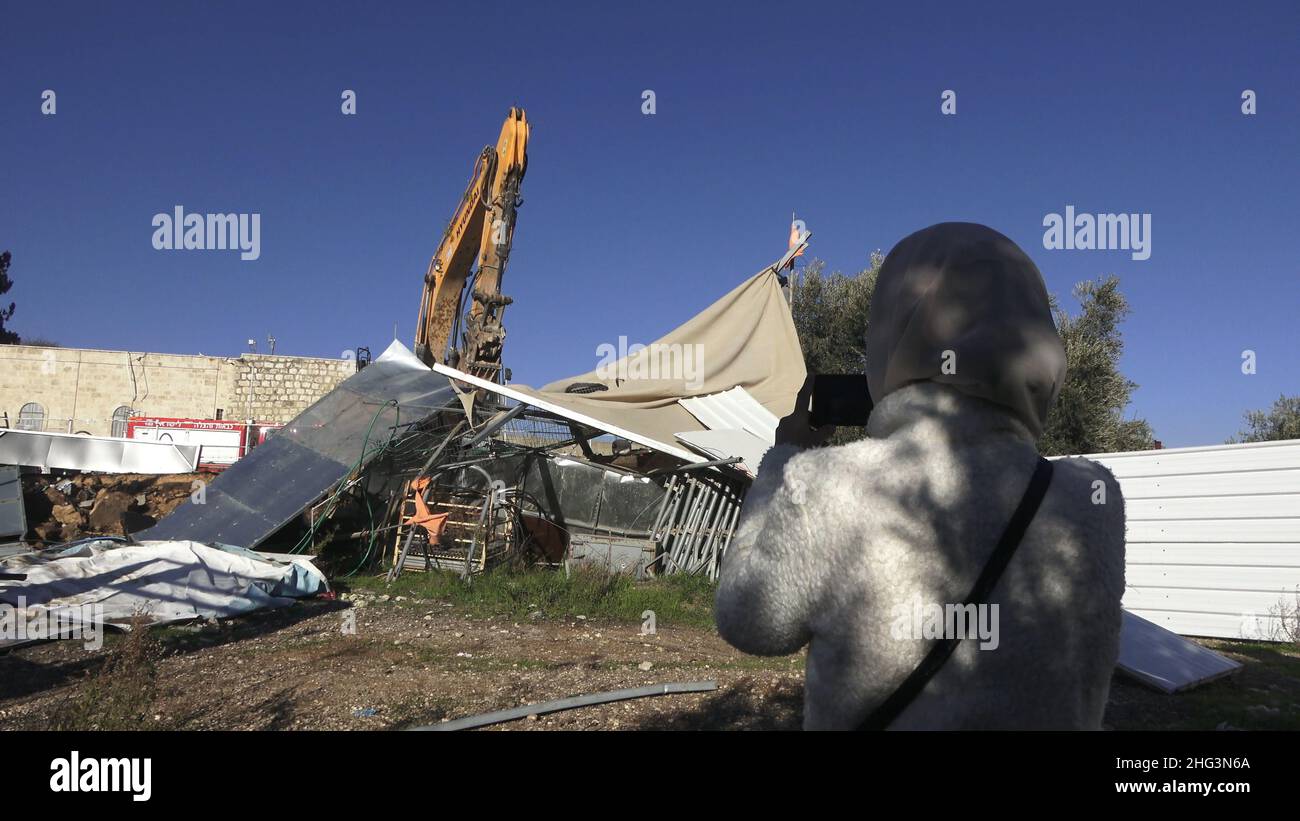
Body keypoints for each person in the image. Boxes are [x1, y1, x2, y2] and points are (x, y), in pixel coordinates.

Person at [715, 222, 1126, 730]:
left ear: (892, 332)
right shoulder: (1091, 496)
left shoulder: (825, 485)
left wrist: (783, 461)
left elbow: (748, 621)